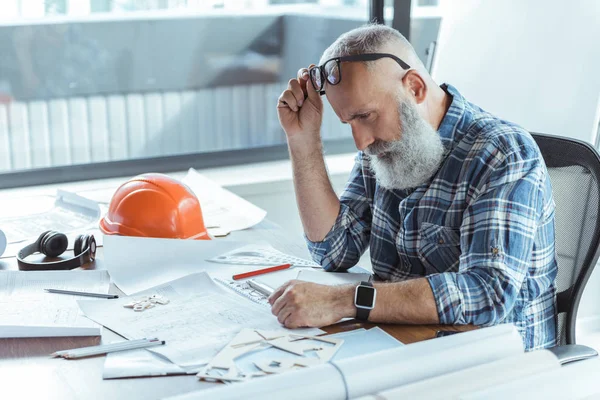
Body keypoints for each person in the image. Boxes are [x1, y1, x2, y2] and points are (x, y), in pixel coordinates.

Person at [268, 24, 557, 351]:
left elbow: (486, 294)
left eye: (366, 116)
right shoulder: (380, 148)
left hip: (497, 362)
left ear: (415, 88)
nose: (361, 141)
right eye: (349, 122)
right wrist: (302, 139)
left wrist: (347, 300)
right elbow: (334, 250)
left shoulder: (502, 154)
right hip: (404, 341)